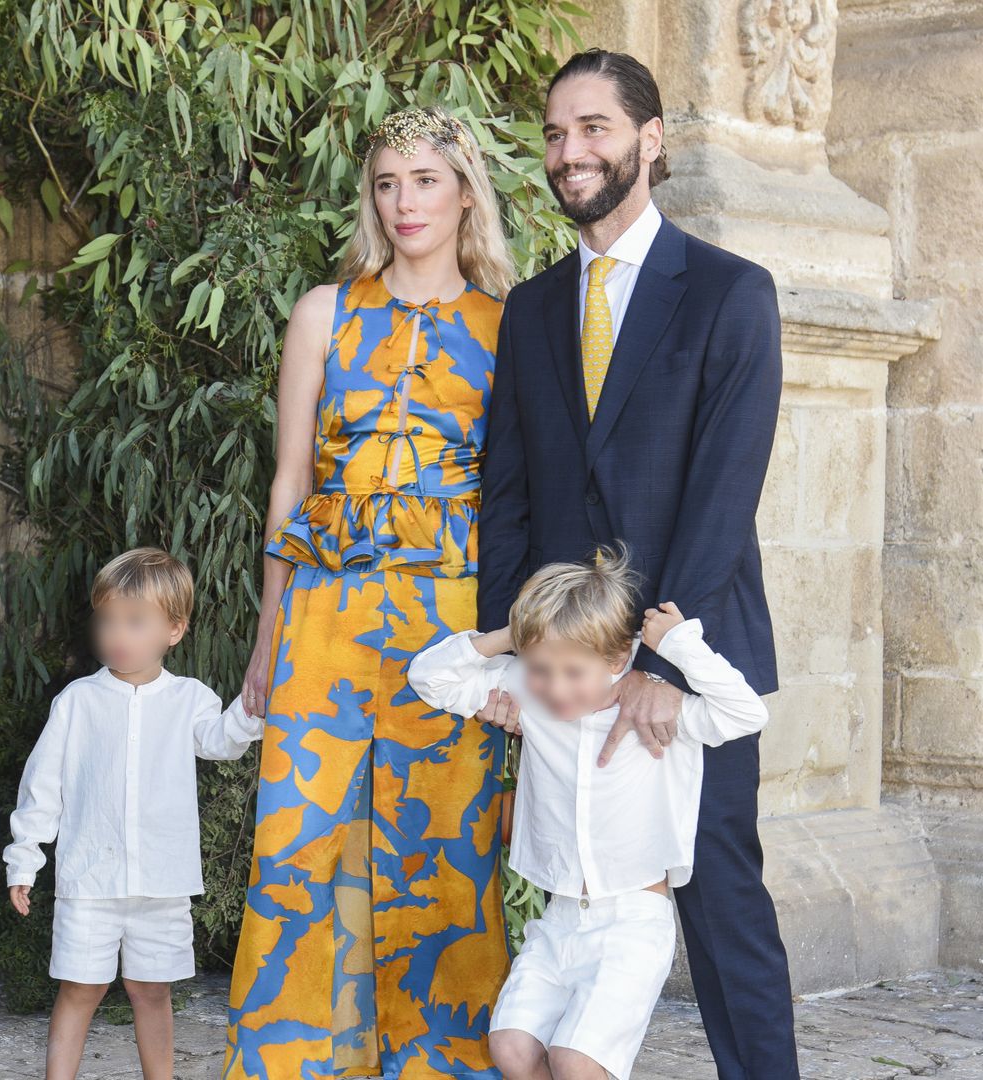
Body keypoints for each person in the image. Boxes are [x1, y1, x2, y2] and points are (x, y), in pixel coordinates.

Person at [476, 49, 799, 1078]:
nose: (571, 152)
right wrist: (512, 661)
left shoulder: (730, 292)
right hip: (566, 673)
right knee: (575, 903)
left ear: (649, 139)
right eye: (557, 132)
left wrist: (664, 665)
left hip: (689, 659)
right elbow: (510, 496)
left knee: (721, 904)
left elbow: (722, 494)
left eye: (595, 128)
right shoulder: (531, 309)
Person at [224, 106, 513, 1080]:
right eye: (388, 183)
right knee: (304, 853)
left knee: (444, 858)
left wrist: (511, 649)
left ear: (466, 190)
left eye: (425, 180)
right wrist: (268, 639)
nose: (404, 203)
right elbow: (289, 484)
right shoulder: (325, 310)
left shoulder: (510, 327)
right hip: (324, 618)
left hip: (449, 628)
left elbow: (523, 499)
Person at [408, 549, 769, 1080]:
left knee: (576, 1063)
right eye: (540, 669)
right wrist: (514, 634)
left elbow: (747, 712)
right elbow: (428, 676)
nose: (555, 687)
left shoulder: (659, 714)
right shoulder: (528, 693)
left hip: (631, 925)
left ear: (619, 656)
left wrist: (679, 647)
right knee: (511, 1048)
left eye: (573, 672)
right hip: (557, 922)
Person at [3, 547, 263, 1080]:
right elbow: (42, 786)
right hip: (90, 882)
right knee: (80, 990)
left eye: (135, 621)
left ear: (174, 629)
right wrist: (24, 860)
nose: (116, 634)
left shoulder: (190, 698)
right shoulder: (77, 701)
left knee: (151, 991)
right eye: (108, 620)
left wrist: (252, 707)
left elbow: (221, 742)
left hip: (162, 884)